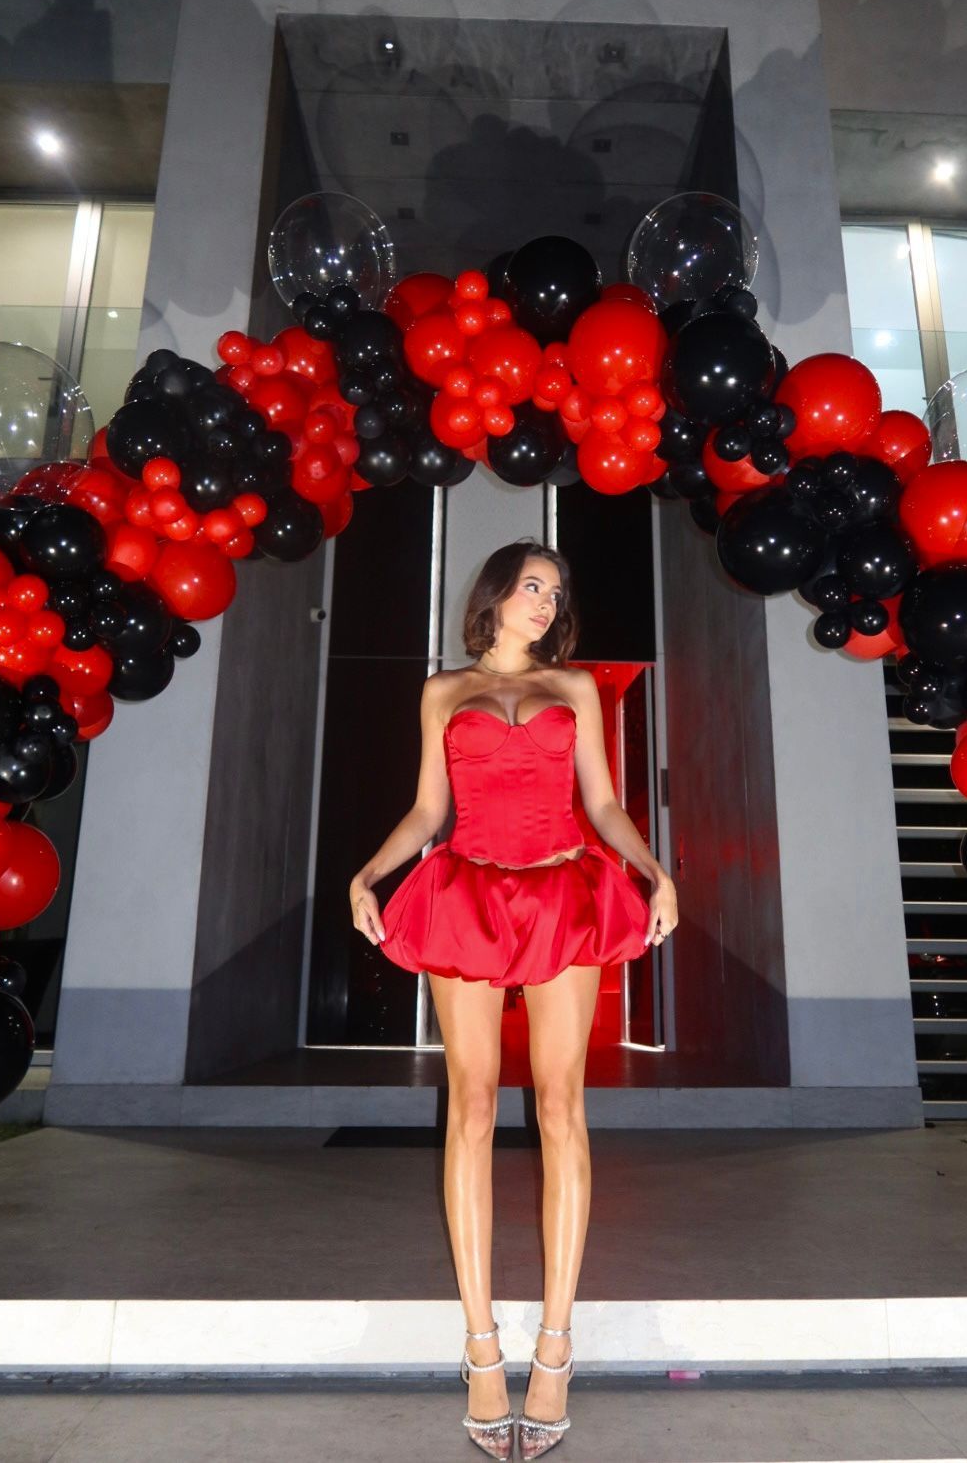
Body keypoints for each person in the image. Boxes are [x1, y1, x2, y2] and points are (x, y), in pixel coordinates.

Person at [349, 539, 678, 1459]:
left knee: (563, 1108)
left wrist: (653, 871)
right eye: (531, 586)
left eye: (556, 592)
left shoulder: (575, 690)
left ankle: (558, 1349)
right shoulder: (440, 692)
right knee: (472, 1109)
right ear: (494, 595)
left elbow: (604, 805)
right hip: (466, 890)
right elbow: (428, 811)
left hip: (565, 889)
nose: (545, 602)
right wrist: (371, 872)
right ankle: (482, 1346)